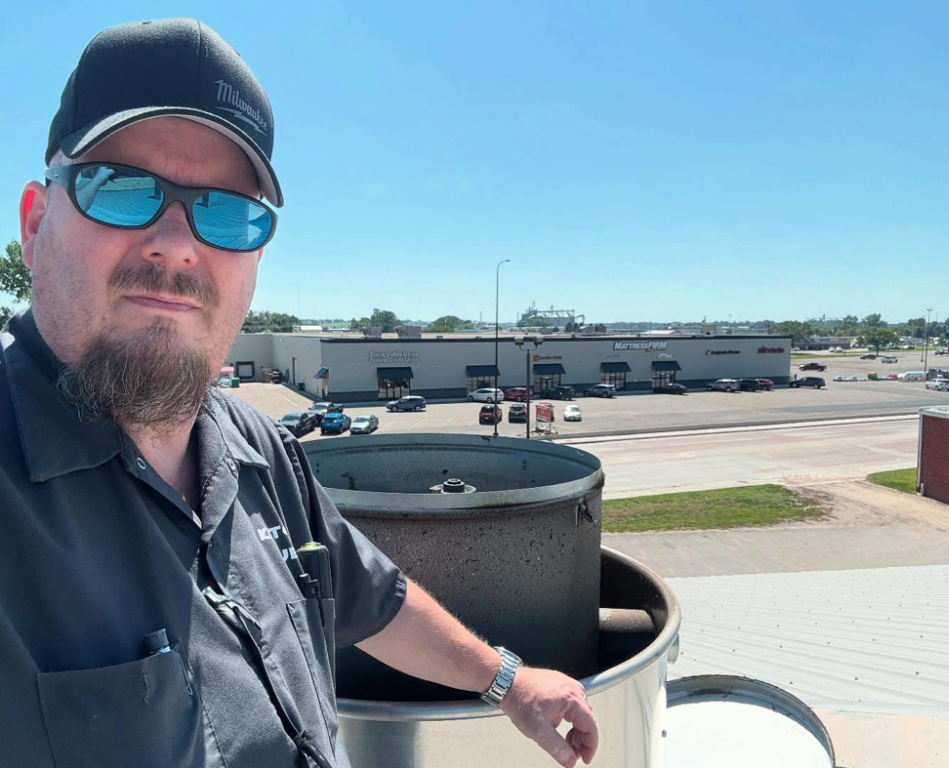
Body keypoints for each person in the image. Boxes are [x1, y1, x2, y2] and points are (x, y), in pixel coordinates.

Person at [1, 18, 598, 768]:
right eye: (121, 190)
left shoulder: (265, 453)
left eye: (225, 210)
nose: (179, 243)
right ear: (35, 222)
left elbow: (373, 600)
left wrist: (509, 681)